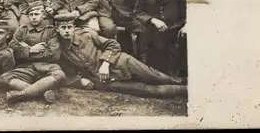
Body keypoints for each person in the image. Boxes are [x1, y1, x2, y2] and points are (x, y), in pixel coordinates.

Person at [54, 13, 187, 98]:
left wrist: (105, 64)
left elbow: (113, 45)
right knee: (146, 90)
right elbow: (63, 73)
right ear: (57, 29)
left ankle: (183, 81)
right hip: (104, 81)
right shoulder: (59, 49)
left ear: (73, 27)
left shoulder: (87, 34)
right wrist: (80, 81)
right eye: (63, 28)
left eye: (69, 27)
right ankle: (186, 90)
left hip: (121, 62)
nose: (67, 31)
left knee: (155, 76)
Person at [0, 2, 66, 104]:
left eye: (36, 14)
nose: (33, 17)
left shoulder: (51, 31)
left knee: (60, 75)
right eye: (31, 15)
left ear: (43, 15)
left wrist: (24, 49)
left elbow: (54, 54)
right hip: (26, 69)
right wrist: (30, 50)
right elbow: (12, 49)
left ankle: (19, 95)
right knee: (4, 78)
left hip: (46, 69)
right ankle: (42, 92)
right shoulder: (22, 30)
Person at [133, 0, 187, 76]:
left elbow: (189, 8)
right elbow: (138, 11)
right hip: (154, 30)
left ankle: (176, 76)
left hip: (175, 28)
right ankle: (147, 74)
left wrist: (187, 24)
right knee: (146, 40)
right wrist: (152, 20)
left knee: (180, 45)